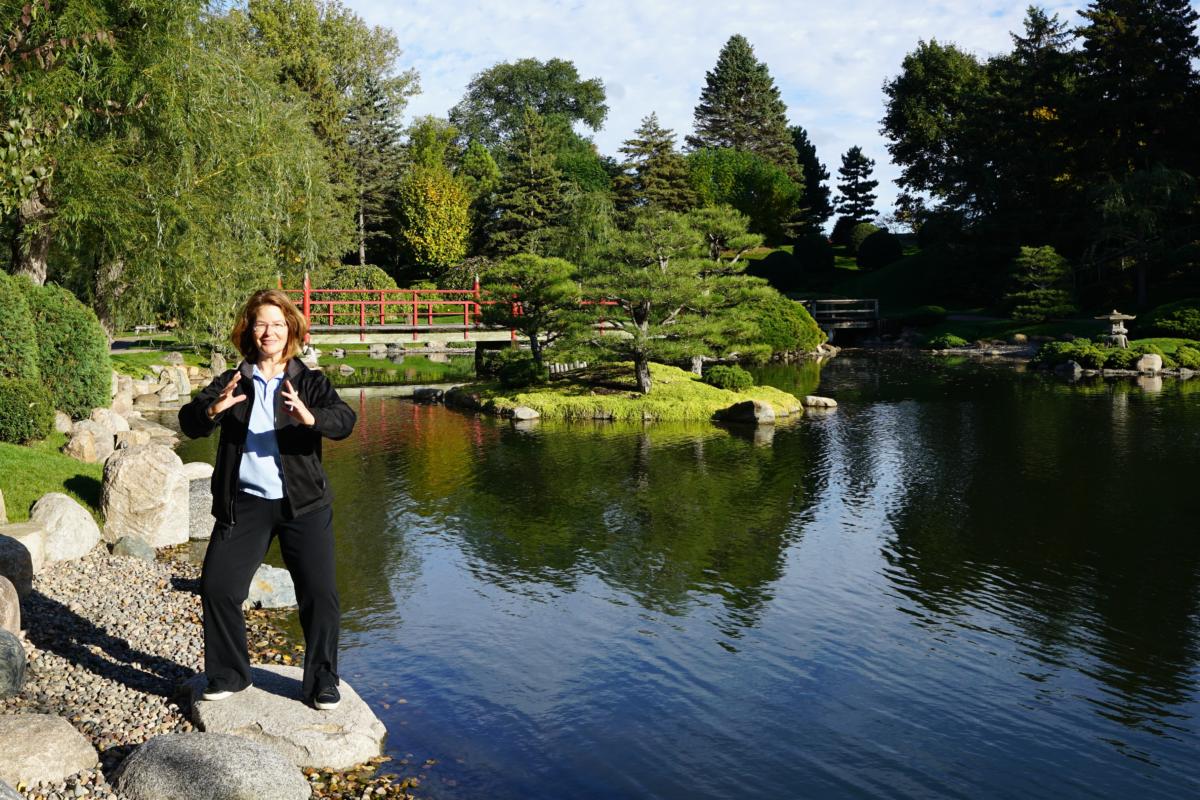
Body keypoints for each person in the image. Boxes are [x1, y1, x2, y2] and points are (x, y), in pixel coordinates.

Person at [179, 289, 356, 710]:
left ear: (291, 330)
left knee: (320, 594)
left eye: (278, 324)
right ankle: (229, 675)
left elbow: (344, 420)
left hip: (304, 504)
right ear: (249, 330)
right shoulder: (233, 379)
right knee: (218, 588)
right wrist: (213, 410)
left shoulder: (309, 381)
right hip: (245, 503)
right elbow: (190, 422)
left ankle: (322, 682)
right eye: (261, 323)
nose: (269, 331)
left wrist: (310, 418)